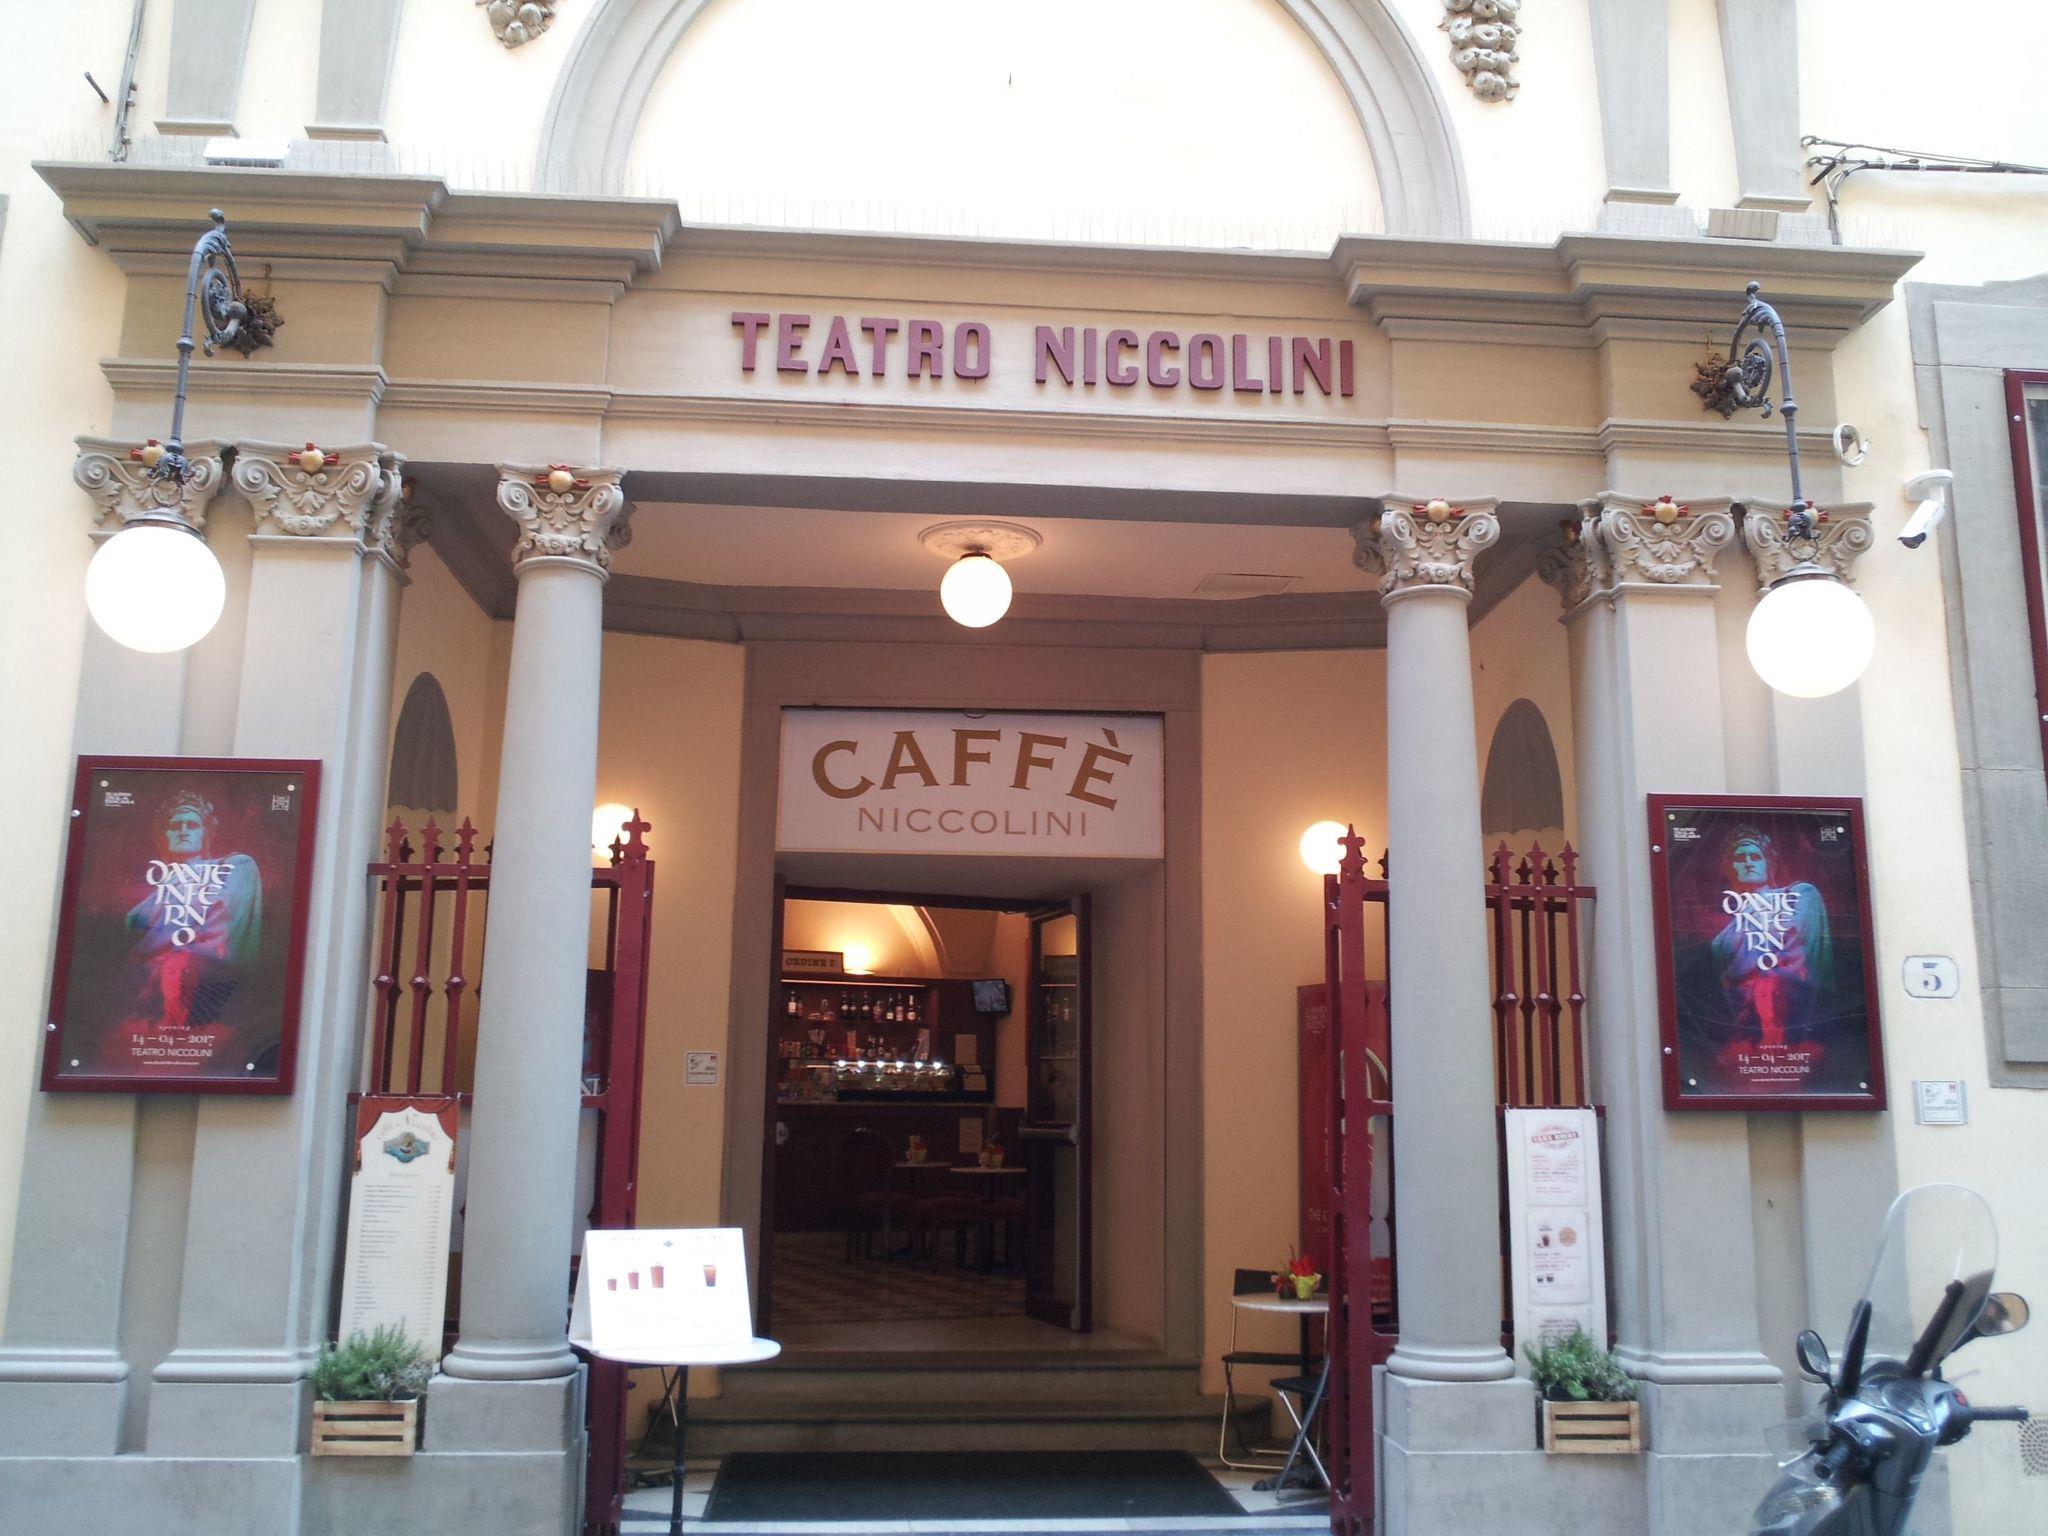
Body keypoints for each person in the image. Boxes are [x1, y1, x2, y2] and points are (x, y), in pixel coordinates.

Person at [106, 787, 263, 1070]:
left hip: (204, 1002)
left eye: (192, 825)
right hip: (146, 1012)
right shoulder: (148, 898)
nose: (182, 831)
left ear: (206, 834)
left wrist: (147, 951)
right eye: (174, 826)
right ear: (163, 836)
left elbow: (218, 939)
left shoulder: (234, 867)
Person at [1708, 825, 1831, 1050]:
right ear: (1730, 867)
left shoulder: (1799, 895)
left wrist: (1749, 979)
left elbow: (1802, 960)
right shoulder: (1721, 939)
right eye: (1740, 858)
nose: (1748, 862)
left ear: (1769, 863)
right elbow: (1726, 994)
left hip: (1795, 1023)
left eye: (1755, 857)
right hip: (1747, 1037)